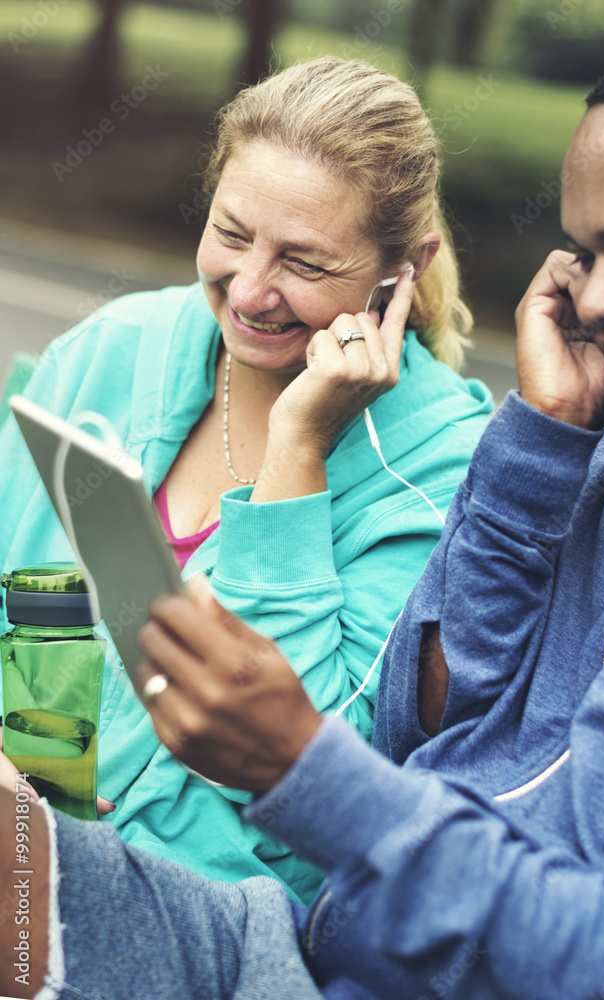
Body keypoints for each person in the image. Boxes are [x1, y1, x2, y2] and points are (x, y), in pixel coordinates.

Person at [4, 38, 604, 1000]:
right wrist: (539, 447)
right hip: (305, 955)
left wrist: (305, 770)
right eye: (585, 251)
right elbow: (424, 723)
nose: (592, 299)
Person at [0, 56, 492, 903]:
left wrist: (298, 450)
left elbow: (301, 776)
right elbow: (24, 594)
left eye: (303, 263)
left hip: (208, 922)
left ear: (403, 270)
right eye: (232, 235)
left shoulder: (443, 468)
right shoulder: (118, 346)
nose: (251, 291)